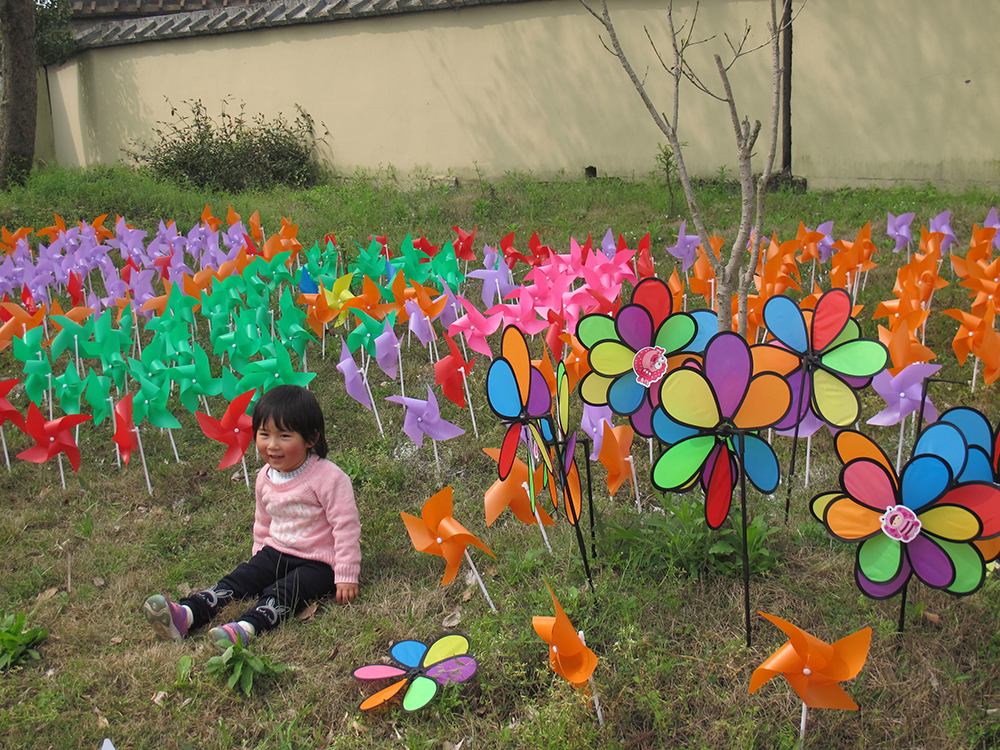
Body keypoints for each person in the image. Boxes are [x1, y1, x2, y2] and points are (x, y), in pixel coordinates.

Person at [143, 385, 361, 650]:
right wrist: (259, 554)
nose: (272, 445)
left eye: (284, 435)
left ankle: (245, 629)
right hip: (276, 551)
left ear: (311, 437)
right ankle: (186, 615)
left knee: (286, 592)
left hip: (318, 562)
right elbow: (263, 520)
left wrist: (346, 574)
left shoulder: (329, 477)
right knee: (238, 580)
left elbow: (345, 526)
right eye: (264, 434)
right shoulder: (264, 477)